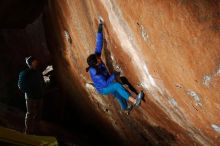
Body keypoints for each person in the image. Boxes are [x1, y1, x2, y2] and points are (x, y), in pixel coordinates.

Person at [86, 18, 143, 112]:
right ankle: (135, 101)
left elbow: (99, 44)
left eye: (98, 57)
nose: (100, 58)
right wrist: (114, 75)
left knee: (117, 94)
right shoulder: (96, 73)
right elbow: (105, 83)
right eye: (98, 59)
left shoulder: (96, 59)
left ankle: (125, 108)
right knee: (116, 86)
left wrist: (100, 27)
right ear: (96, 64)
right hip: (103, 89)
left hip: (105, 83)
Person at [18, 56, 45, 134]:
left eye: (36, 61)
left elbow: (42, 83)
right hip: (30, 98)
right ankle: (28, 132)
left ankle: (35, 130)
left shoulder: (38, 72)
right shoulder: (24, 73)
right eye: (34, 61)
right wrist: (29, 92)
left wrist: (43, 89)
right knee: (30, 114)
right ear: (30, 63)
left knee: (38, 115)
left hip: (39, 97)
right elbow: (20, 85)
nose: (36, 62)